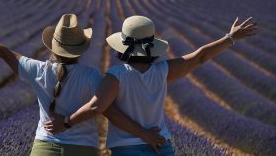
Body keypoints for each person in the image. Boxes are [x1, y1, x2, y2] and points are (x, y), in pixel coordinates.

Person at [0, 12, 166, 156]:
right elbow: (108, 110)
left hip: (45, 148)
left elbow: (4, 53)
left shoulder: (38, 70)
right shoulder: (93, 76)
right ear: (81, 48)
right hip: (83, 150)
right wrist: (145, 133)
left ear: (52, 46)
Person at [44, 15, 258, 156]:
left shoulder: (116, 75)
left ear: (122, 46)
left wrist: (66, 122)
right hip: (161, 146)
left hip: (127, 149)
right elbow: (199, 57)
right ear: (151, 48)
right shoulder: (162, 71)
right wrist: (230, 37)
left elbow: (96, 107)